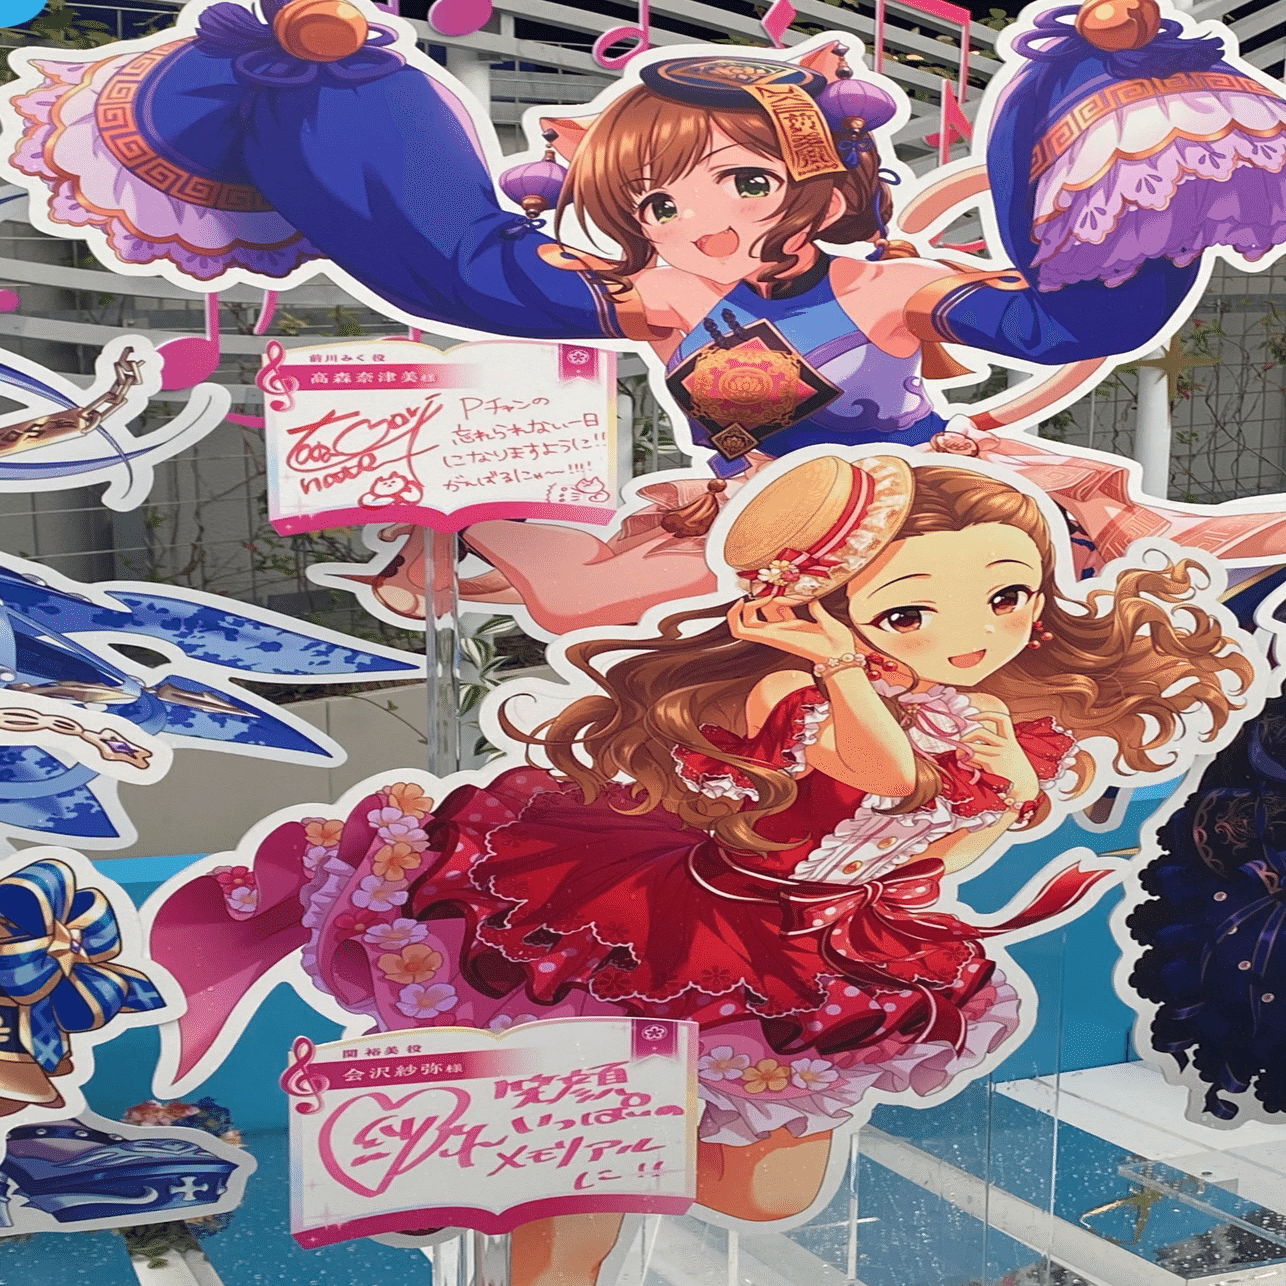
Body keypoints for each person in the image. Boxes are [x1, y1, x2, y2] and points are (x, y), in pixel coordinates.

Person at [150, 452, 1259, 1283]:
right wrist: (842, 670)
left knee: (759, 1190)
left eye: (1009, 596)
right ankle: (542, 1166)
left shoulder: (984, 709)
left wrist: (945, 834)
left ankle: (569, 1144)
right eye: (911, 609)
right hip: (670, 926)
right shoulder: (789, 689)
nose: (973, 633)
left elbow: (977, 817)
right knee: (592, 1170)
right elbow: (882, 773)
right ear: (820, 606)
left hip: (834, 937)